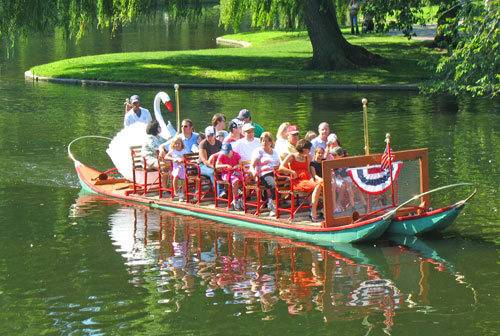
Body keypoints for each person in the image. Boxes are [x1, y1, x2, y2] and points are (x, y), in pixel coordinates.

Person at [279, 139, 322, 222]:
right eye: (308, 148)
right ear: (303, 148)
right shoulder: (292, 156)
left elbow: (309, 170)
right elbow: (281, 168)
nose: (310, 150)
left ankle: (321, 209)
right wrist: (291, 171)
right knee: (317, 185)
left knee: (322, 183)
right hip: (297, 181)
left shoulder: (308, 157)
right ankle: (313, 211)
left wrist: (312, 178)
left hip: (307, 179)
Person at [250, 132, 281, 216]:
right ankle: (274, 206)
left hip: (275, 173)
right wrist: (253, 171)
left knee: (288, 181)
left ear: (271, 142)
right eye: (263, 141)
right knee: (274, 185)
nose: (264, 143)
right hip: (264, 174)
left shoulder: (274, 152)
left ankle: (272, 200)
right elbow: (252, 165)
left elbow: (278, 164)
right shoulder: (258, 151)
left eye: (267, 141)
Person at [216, 143, 244, 211]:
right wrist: (225, 166)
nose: (227, 154)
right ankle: (235, 199)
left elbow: (240, 164)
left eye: (228, 152)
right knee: (235, 181)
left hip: (235, 171)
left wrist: (237, 166)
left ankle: (243, 198)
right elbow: (217, 166)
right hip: (227, 173)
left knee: (245, 179)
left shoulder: (236, 154)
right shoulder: (222, 155)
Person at [198, 126, 222, 191]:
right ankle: (219, 191)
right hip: (202, 166)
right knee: (212, 172)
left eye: (211, 135)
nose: (209, 138)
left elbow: (222, 155)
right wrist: (214, 167)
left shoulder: (219, 143)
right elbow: (204, 160)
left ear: (214, 135)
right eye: (207, 136)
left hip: (215, 164)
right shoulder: (203, 144)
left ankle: (227, 191)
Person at [164, 136, 188, 202]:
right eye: (176, 144)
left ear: (181, 144)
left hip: (183, 168)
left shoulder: (184, 151)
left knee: (185, 178)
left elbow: (187, 159)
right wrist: (174, 159)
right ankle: (175, 192)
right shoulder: (173, 151)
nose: (177, 145)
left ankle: (183, 193)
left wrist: (182, 161)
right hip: (175, 168)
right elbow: (166, 157)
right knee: (176, 175)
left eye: (178, 143)